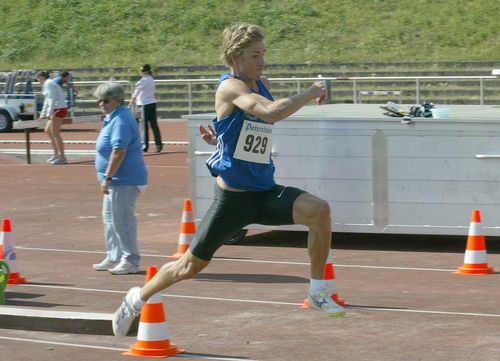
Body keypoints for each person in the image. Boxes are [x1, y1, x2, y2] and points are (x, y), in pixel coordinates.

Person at [112, 23, 344, 337]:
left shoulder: (261, 82)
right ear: (235, 57)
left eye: (264, 54)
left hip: (264, 191)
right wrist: (311, 91)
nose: (262, 62)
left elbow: (245, 129)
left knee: (319, 210)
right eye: (254, 56)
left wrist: (220, 141)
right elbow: (270, 113)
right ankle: (137, 299)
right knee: (190, 266)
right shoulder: (230, 87)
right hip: (233, 200)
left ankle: (317, 292)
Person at [92, 81, 148, 275]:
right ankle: (114, 255)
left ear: (116, 100)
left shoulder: (121, 119)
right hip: (115, 180)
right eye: (99, 101)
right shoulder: (112, 117)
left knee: (122, 220)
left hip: (124, 179)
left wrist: (107, 177)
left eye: (105, 100)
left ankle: (130, 260)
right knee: (109, 219)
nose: (101, 104)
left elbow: (119, 150)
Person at [36, 70, 69, 165]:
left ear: (41, 77)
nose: (37, 80)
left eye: (38, 78)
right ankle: (56, 154)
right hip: (55, 109)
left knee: (55, 133)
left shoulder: (49, 83)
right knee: (47, 131)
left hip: (59, 109)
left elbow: (52, 99)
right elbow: (47, 101)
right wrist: (43, 115)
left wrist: (49, 114)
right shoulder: (46, 84)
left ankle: (63, 157)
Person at [128, 64, 163, 153]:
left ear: (146, 71)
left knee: (144, 126)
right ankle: (158, 145)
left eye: (142, 70)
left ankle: (145, 146)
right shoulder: (151, 79)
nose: (141, 72)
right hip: (152, 103)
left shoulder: (143, 80)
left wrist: (130, 103)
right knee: (154, 125)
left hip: (144, 104)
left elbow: (136, 92)